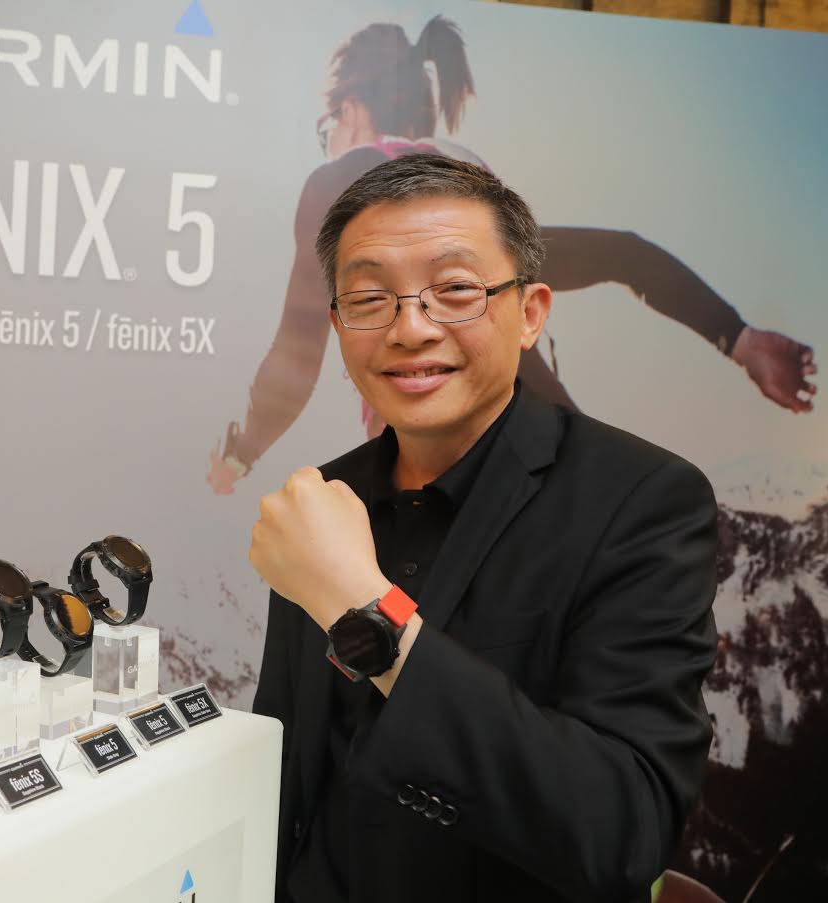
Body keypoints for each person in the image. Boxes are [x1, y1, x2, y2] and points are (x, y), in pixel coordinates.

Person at [249, 153, 720, 901]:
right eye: (369, 299)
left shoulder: (642, 501)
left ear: (531, 313)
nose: (410, 328)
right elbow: (291, 777)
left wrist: (367, 611)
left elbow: (620, 829)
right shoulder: (322, 501)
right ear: (339, 325)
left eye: (455, 291)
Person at [209, 16, 816, 494]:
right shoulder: (478, 193)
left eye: (326, 130)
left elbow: (297, 355)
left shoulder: (341, 184)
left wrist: (240, 455)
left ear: (349, 110)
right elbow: (624, 254)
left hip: (440, 479)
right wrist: (739, 338)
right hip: (558, 463)